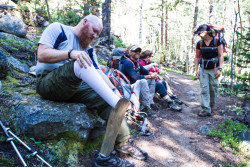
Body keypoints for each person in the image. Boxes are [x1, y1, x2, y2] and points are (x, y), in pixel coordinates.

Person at [36, 15, 148, 167]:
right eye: (94, 31)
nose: (95, 36)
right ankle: (116, 102)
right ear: (84, 22)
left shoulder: (88, 50)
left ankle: (109, 153)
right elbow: (41, 54)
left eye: (98, 34)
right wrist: (71, 53)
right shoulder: (59, 29)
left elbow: (99, 74)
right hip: (48, 82)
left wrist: (115, 91)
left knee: (108, 100)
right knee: (80, 61)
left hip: (75, 86)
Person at [194, 24, 224, 117]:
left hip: (214, 69)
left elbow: (221, 55)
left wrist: (220, 69)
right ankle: (206, 109)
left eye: (200, 32)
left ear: (205, 32)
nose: (198, 34)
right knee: (204, 88)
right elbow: (197, 57)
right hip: (203, 69)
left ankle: (211, 106)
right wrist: (196, 70)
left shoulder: (216, 41)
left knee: (213, 88)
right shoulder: (199, 43)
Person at [120, 45, 159, 114]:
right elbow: (135, 77)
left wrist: (152, 74)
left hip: (134, 85)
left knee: (152, 80)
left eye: (139, 51)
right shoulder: (128, 63)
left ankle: (150, 103)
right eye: (135, 51)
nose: (137, 53)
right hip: (127, 86)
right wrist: (150, 76)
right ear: (130, 53)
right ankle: (145, 106)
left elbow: (144, 71)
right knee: (143, 81)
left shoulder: (137, 62)